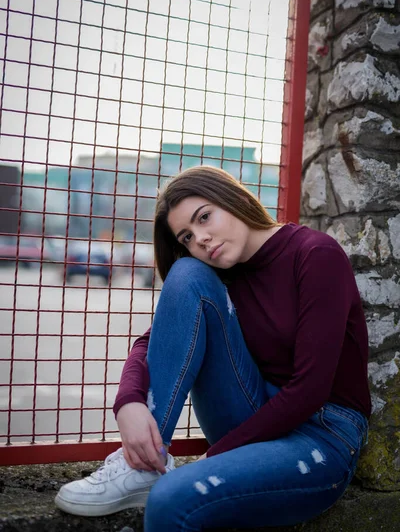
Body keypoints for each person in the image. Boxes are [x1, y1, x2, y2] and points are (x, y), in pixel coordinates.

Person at [55, 165, 371, 530]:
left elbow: (310, 391)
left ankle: (155, 473)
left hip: (321, 435)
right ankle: (140, 463)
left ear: (232, 197)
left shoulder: (315, 254)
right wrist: (129, 401)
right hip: (253, 413)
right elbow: (152, 341)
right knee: (186, 273)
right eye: (187, 236)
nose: (200, 239)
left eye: (204, 217)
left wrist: (212, 458)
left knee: (171, 499)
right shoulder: (217, 273)